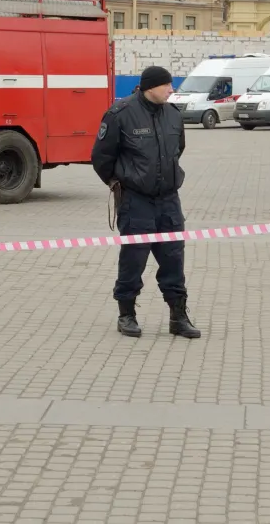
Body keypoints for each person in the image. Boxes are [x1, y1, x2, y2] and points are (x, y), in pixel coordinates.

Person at [91, 65, 201, 339]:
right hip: (136, 201)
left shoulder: (173, 116)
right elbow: (101, 157)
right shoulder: (121, 114)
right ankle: (126, 315)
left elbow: (178, 150)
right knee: (133, 258)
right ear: (151, 86)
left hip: (168, 201)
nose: (171, 90)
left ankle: (179, 317)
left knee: (174, 258)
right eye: (167, 85)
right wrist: (121, 182)